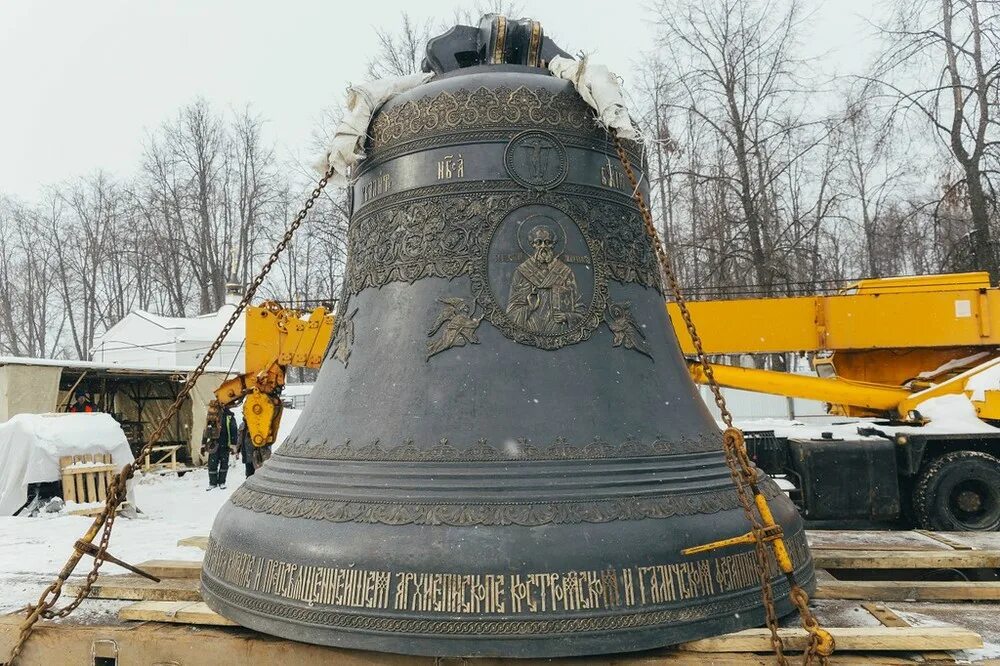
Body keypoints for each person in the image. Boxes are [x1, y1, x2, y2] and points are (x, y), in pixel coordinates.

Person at [205, 406, 237, 490]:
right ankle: (212, 483)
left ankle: (222, 482)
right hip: (213, 443)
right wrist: (203, 443)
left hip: (225, 443)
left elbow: (234, 431)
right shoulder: (212, 416)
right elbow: (206, 430)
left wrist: (233, 444)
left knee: (224, 464)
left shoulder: (229, 416)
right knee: (212, 464)